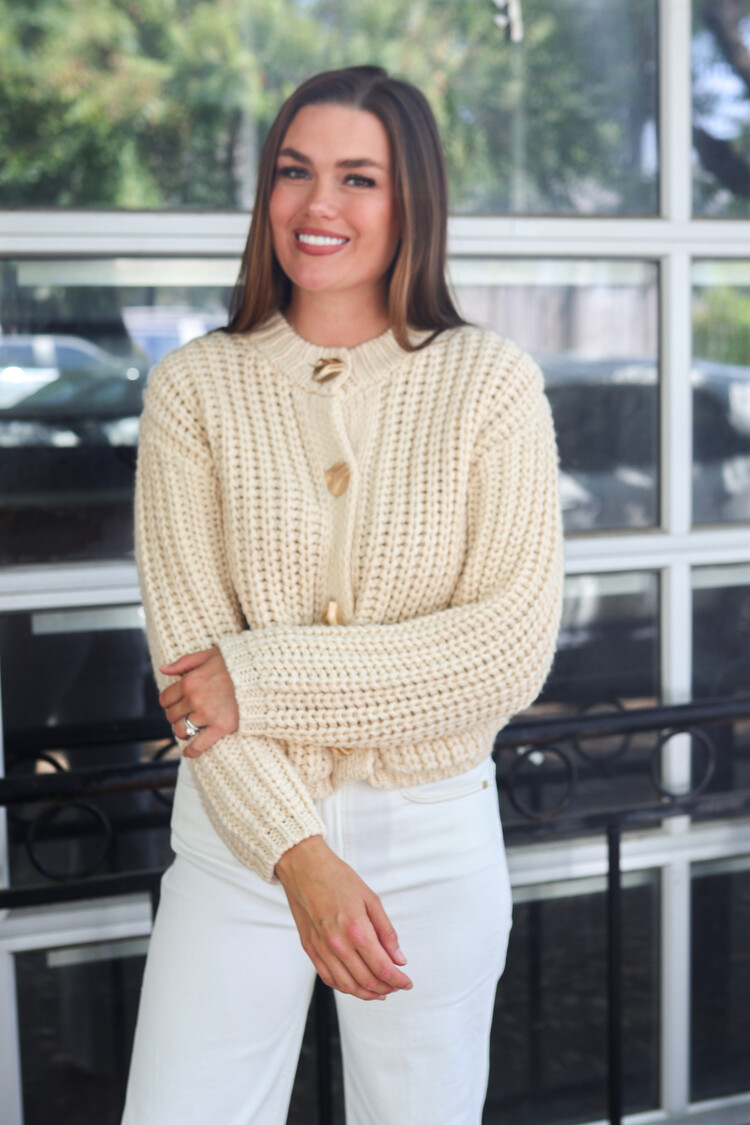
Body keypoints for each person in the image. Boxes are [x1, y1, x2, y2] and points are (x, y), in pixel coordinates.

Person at [122, 64, 563, 1125]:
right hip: (239, 836)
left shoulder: (490, 384)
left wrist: (259, 675)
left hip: (434, 839)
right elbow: (190, 677)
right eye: (295, 171)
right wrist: (299, 855)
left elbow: (507, 648)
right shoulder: (194, 390)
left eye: (358, 177)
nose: (318, 204)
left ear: (412, 202)